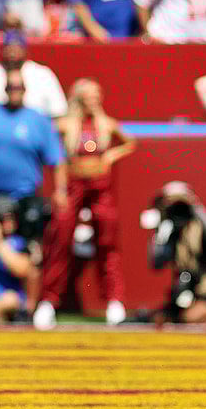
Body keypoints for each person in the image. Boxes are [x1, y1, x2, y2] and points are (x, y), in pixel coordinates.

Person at [36, 79, 135, 327]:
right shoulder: (66, 125)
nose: (93, 101)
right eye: (88, 96)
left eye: (96, 96)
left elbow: (130, 142)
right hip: (74, 185)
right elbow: (46, 138)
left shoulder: (105, 124)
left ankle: (114, 301)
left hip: (101, 187)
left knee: (107, 240)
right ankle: (48, 301)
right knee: (60, 238)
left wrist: (110, 156)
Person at [0, 69, 66, 330]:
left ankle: (28, 309)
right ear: (5, 90)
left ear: (26, 89)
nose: (15, 91)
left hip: (24, 198)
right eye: (11, 87)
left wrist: (61, 191)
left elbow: (57, 158)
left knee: (31, 253)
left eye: (19, 87)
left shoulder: (37, 120)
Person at [142, 182, 206, 326]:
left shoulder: (203, 226)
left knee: (189, 318)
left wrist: (192, 205)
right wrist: (160, 229)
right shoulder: (171, 232)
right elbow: (156, 263)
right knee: (159, 319)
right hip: (195, 293)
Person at [0, 33, 67, 119]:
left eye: (17, 47)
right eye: (9, 47)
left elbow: (59, 112)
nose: (12, 52)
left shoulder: (43, 74)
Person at [0, 196, 35, 325]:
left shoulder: (18, 242)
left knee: (10, 299)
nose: (10, 222)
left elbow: (21, 270)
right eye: (4, 218)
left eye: (12, 217)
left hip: (8, 303)